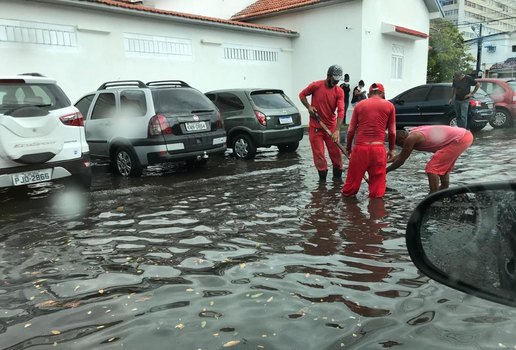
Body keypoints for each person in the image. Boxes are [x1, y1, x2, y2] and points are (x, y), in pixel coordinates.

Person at [342, 83, 396, 198]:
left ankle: (347, 213)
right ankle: (376, 214)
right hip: (379, 151)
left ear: (369, 93)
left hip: (360, 149)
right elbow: (392, 132)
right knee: (377, 193)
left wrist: (348, 149)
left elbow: (351, 131)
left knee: (349, 189)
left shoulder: (359, 105)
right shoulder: (389, 106)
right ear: (382, 94)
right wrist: (391, 149)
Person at [386, 125, 473, 193]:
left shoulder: (411, 138)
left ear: (402, 139)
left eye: (399, 144)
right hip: (465, 135)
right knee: (441, 166)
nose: (400, 146)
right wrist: (389, 160)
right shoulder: (411, 133)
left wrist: (386, 170)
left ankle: (433, 196)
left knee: (432, 168)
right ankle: (444, 191)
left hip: (460, 138)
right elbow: (402, 155)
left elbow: (401, 160)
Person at [299, 64, 345, 182]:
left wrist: (337, 130)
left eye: (338, 80)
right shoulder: (316, 86)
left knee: (336, 154)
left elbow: (341, 111)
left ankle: (337, 182)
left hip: (331, 127)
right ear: (328, 76)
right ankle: (322, 184)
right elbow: (302, 95)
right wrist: (309, 106)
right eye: (334, 80)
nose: (336, 83)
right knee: (319, 154)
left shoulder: (339, 91)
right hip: (316, 126)